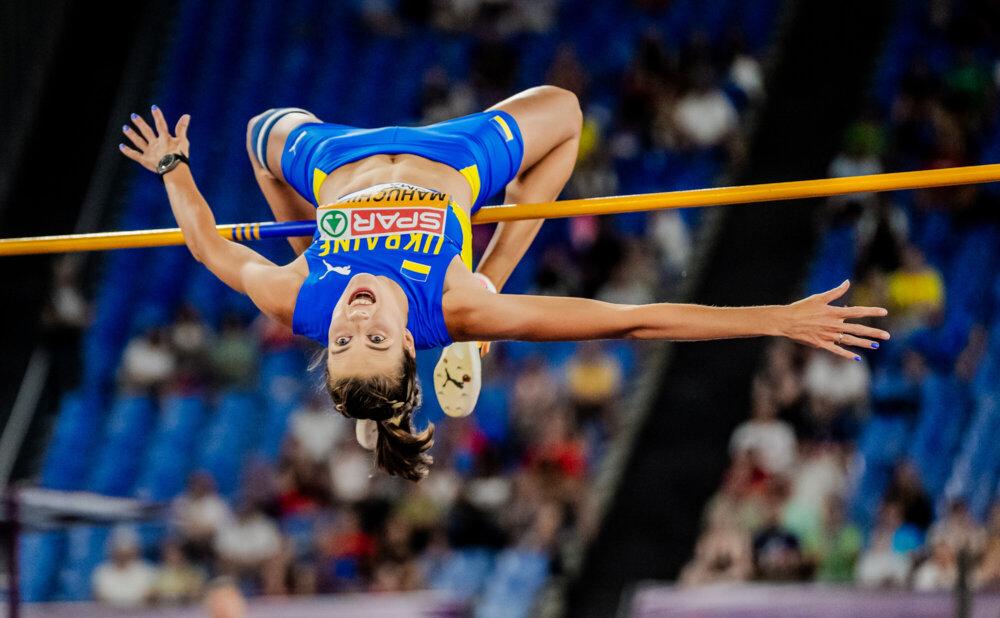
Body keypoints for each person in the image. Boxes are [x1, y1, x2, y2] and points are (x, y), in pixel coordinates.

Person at [119, 86, 890, 482]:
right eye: (376, 338)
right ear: (408, 347)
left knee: (260, 133)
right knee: (568, 113)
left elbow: (207, 246)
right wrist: (773, 320)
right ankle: (496, 272)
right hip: (455, 161)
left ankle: (309, 231)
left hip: (333, 159)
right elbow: (630, 322)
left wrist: (173, 169)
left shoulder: (300, 300)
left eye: (345, 340)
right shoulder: (449, 304)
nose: (357, 317)